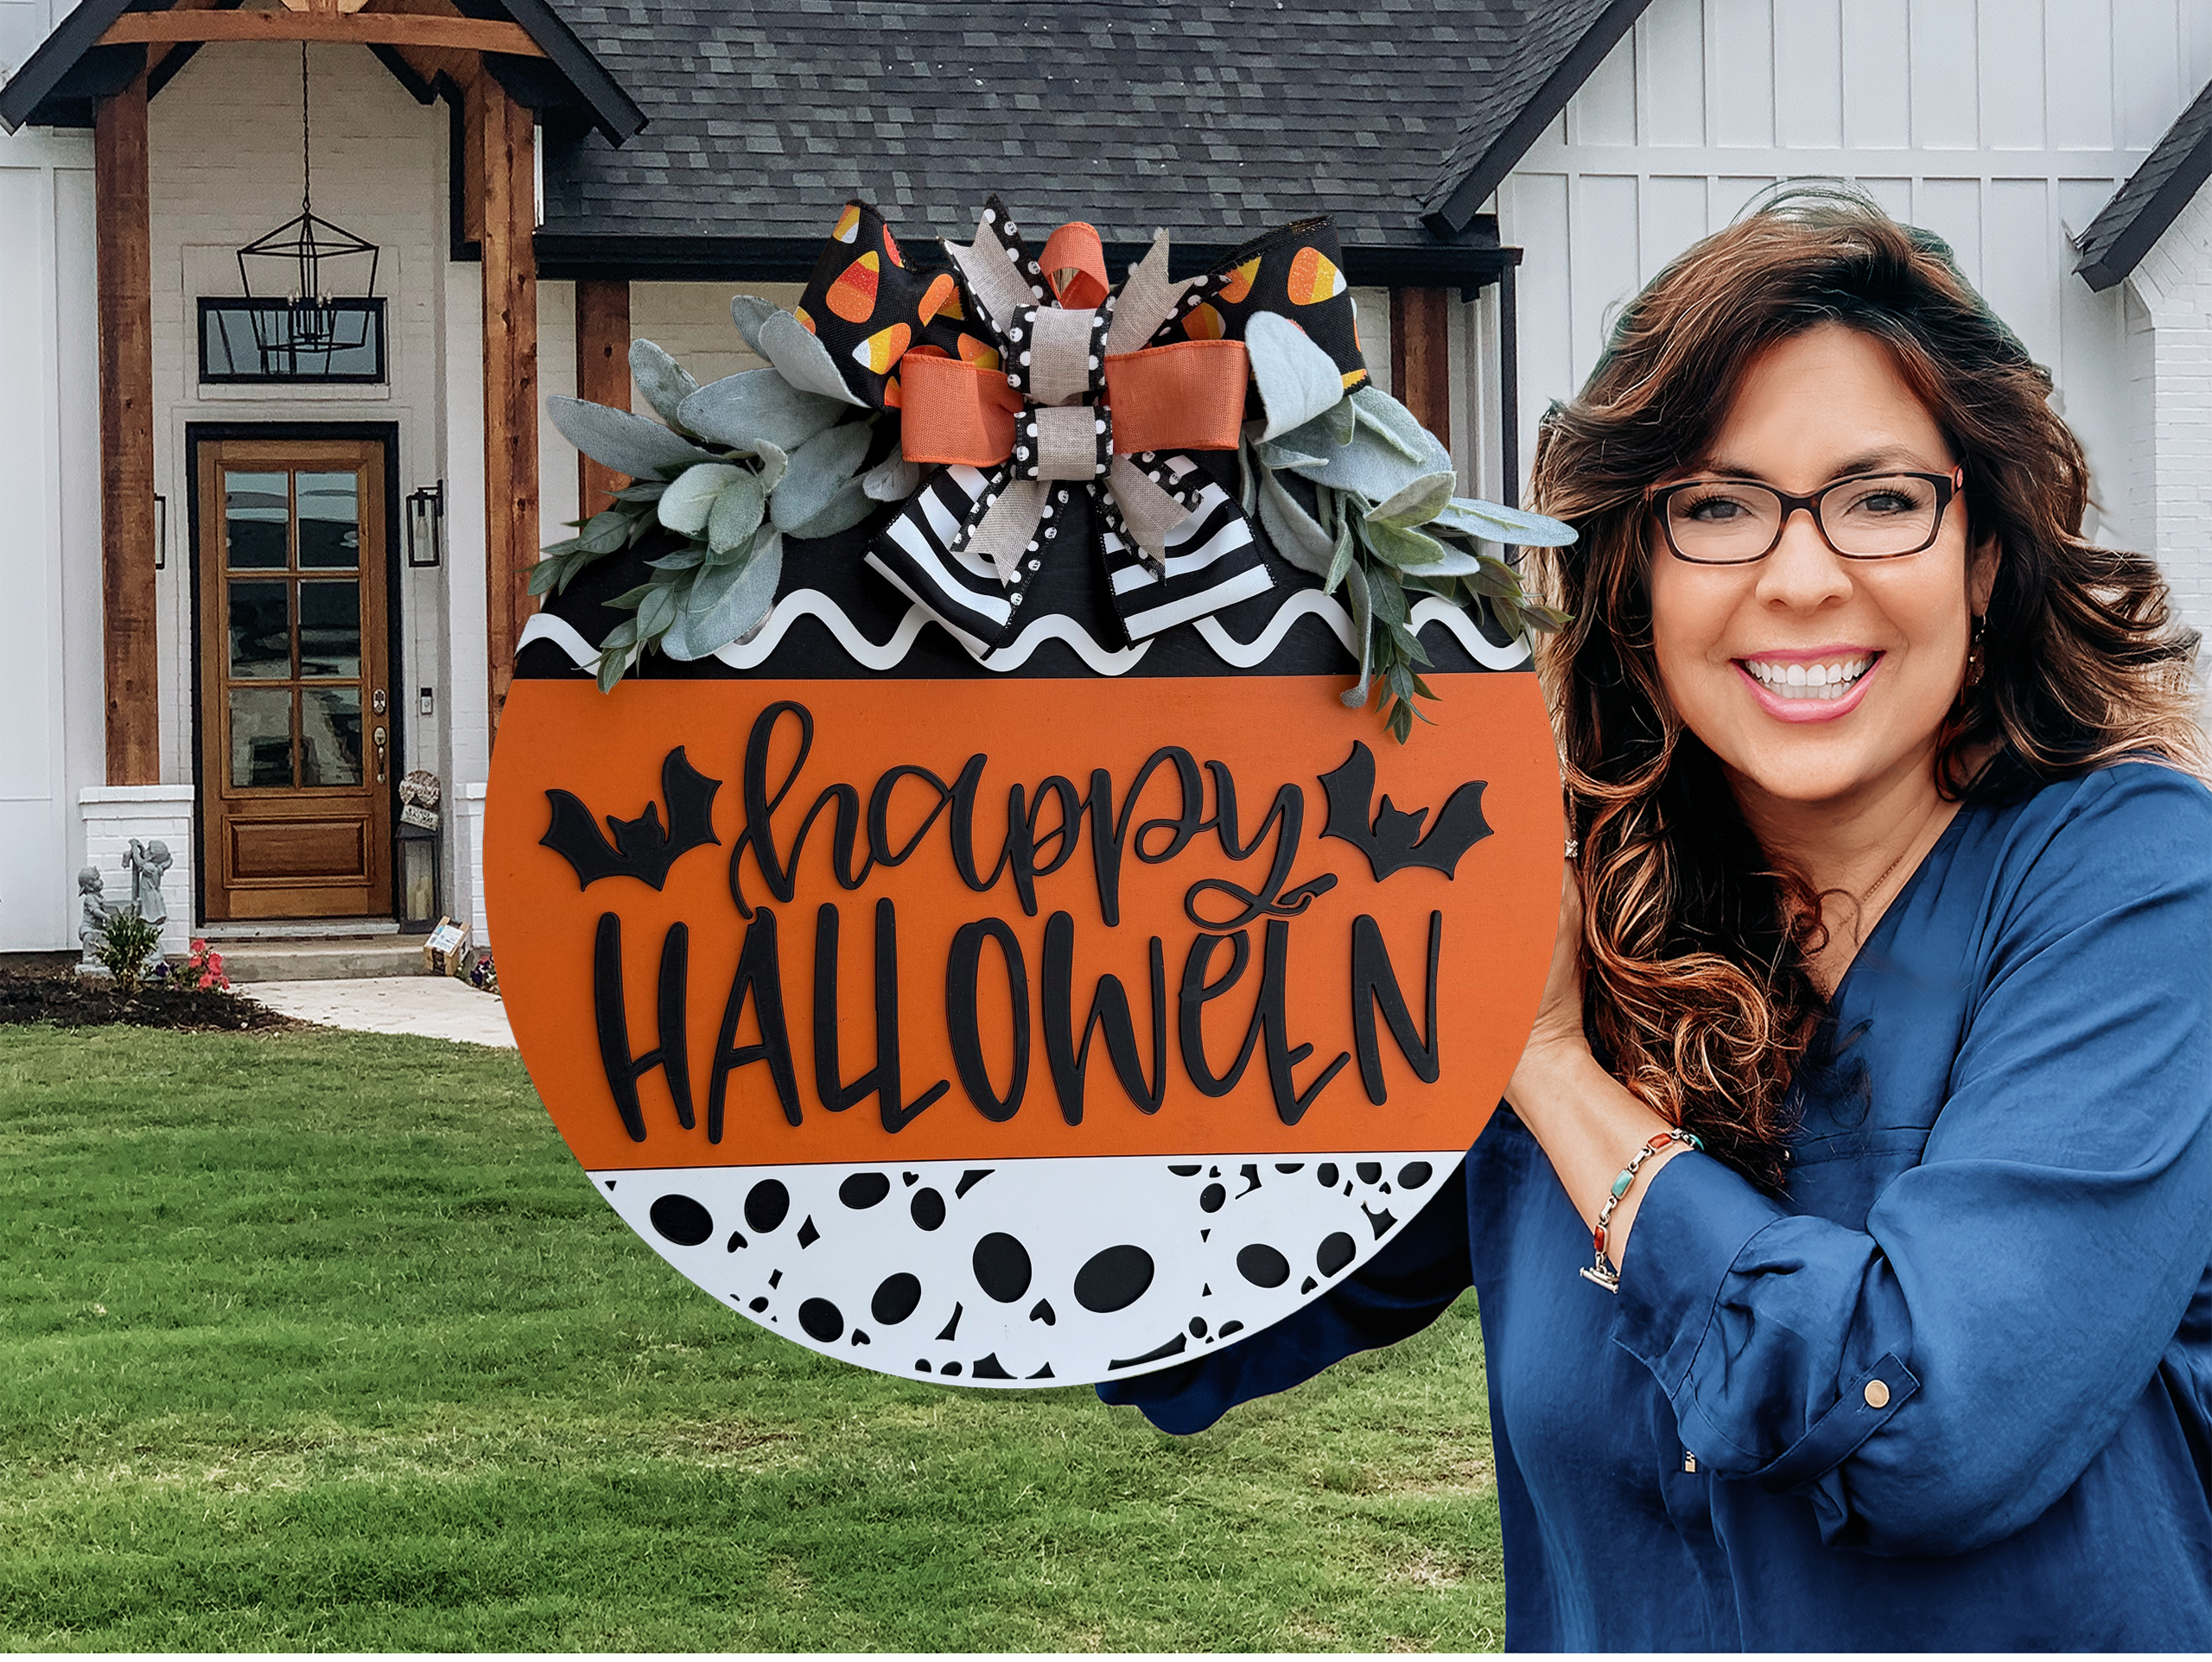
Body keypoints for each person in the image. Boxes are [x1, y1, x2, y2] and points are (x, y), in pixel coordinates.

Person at [1100, 188, 2212, 1651]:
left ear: (1985, 557)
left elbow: (1932, 1426)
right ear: (1632, 577)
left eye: (1883, 500)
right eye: (1717, 507)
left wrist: (1552, 1067)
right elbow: (1194, 1308)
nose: (1801, 578)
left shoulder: (2136, 884)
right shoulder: (1571, 899)